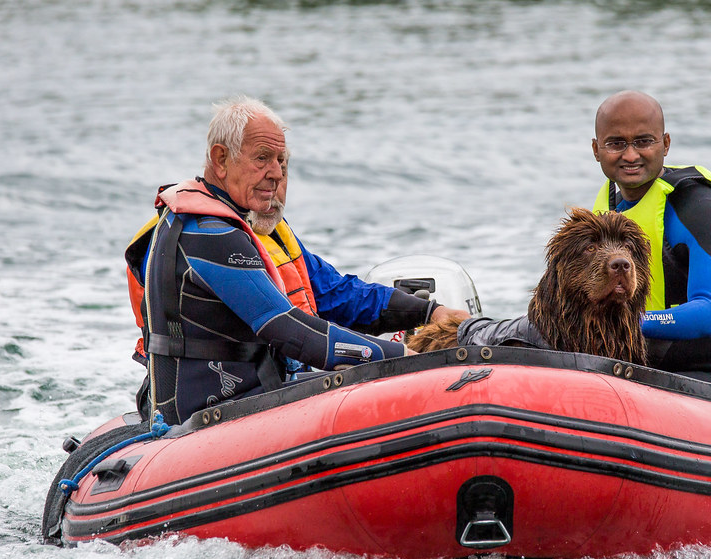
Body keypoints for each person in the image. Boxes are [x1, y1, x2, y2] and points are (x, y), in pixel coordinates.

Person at [125, 96, 467, 425]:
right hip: (205, 417)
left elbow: (337, 293)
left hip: (256, 395)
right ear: (221, 159)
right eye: (263, 158)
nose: (276, 173)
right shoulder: (208, 235)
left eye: (282, 162)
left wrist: (428, 312)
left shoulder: (252, 229)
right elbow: (287, 328)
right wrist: (402, 359)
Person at [590, 90, 711, 388]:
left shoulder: (700, 209)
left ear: (665, 144)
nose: (630, 155)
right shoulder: (605, 212)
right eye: (616, 143)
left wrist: (624, 323)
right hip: (642, 369)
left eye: (643, 141)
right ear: (596, 149)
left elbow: (708, 313)